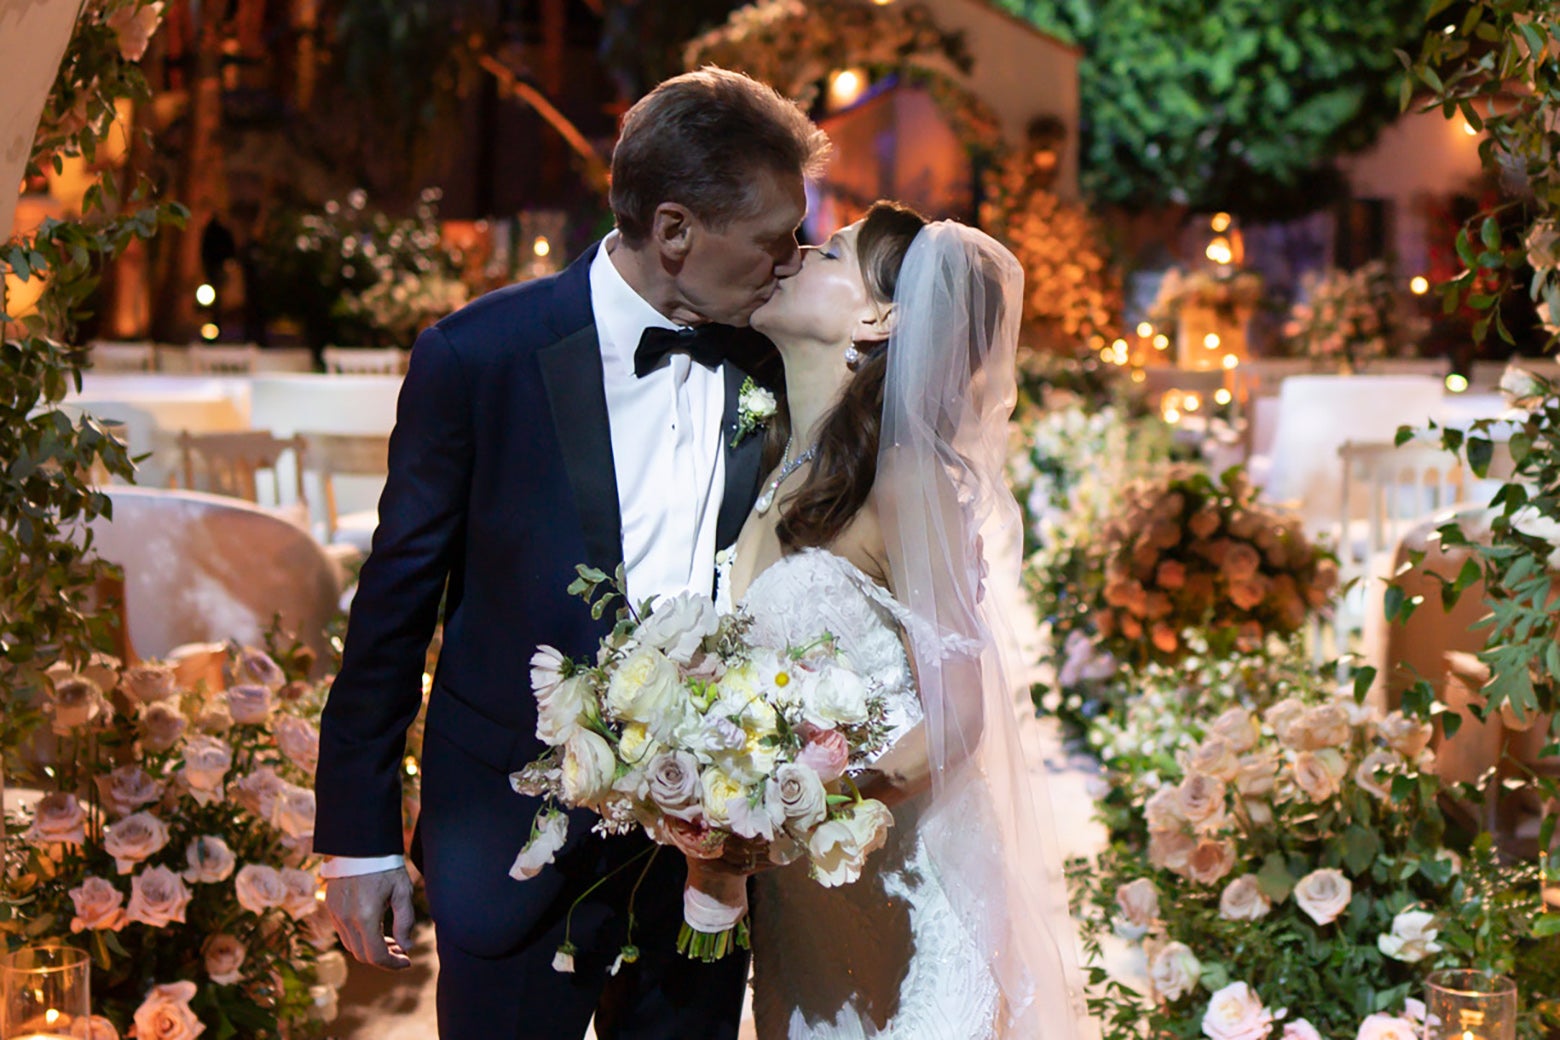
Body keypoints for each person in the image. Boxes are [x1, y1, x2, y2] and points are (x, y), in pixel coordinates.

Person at [314, 67, 830, 1039]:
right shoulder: (477, 357)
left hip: (706, 850)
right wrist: (357, 838)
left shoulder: (777, 360)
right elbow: (393, 606)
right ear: (673, 231)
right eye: (774, 239)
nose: (792, 262)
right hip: (511, 834)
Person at [720, 202, 1086, 1038]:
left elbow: (959, 713)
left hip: (909, 897)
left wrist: (806, 802)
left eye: (831, 252)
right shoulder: (778, 468)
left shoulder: (908, 477)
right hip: (805, 905)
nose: (798, 253)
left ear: (880, 317)